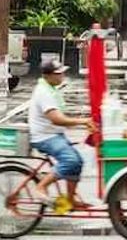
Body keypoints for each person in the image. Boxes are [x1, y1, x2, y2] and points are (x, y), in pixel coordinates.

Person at [27, 58, 94, 207]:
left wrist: (84, 123)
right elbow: (57, 119)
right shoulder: (43, 92)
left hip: (54, 134)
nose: (62, 75)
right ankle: (41, 186)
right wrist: (82, 122)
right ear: (48, 76)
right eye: (59, 73)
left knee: (78, 162)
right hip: (45, 137)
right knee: (71, 160)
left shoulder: (51, 90)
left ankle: (70, 200)